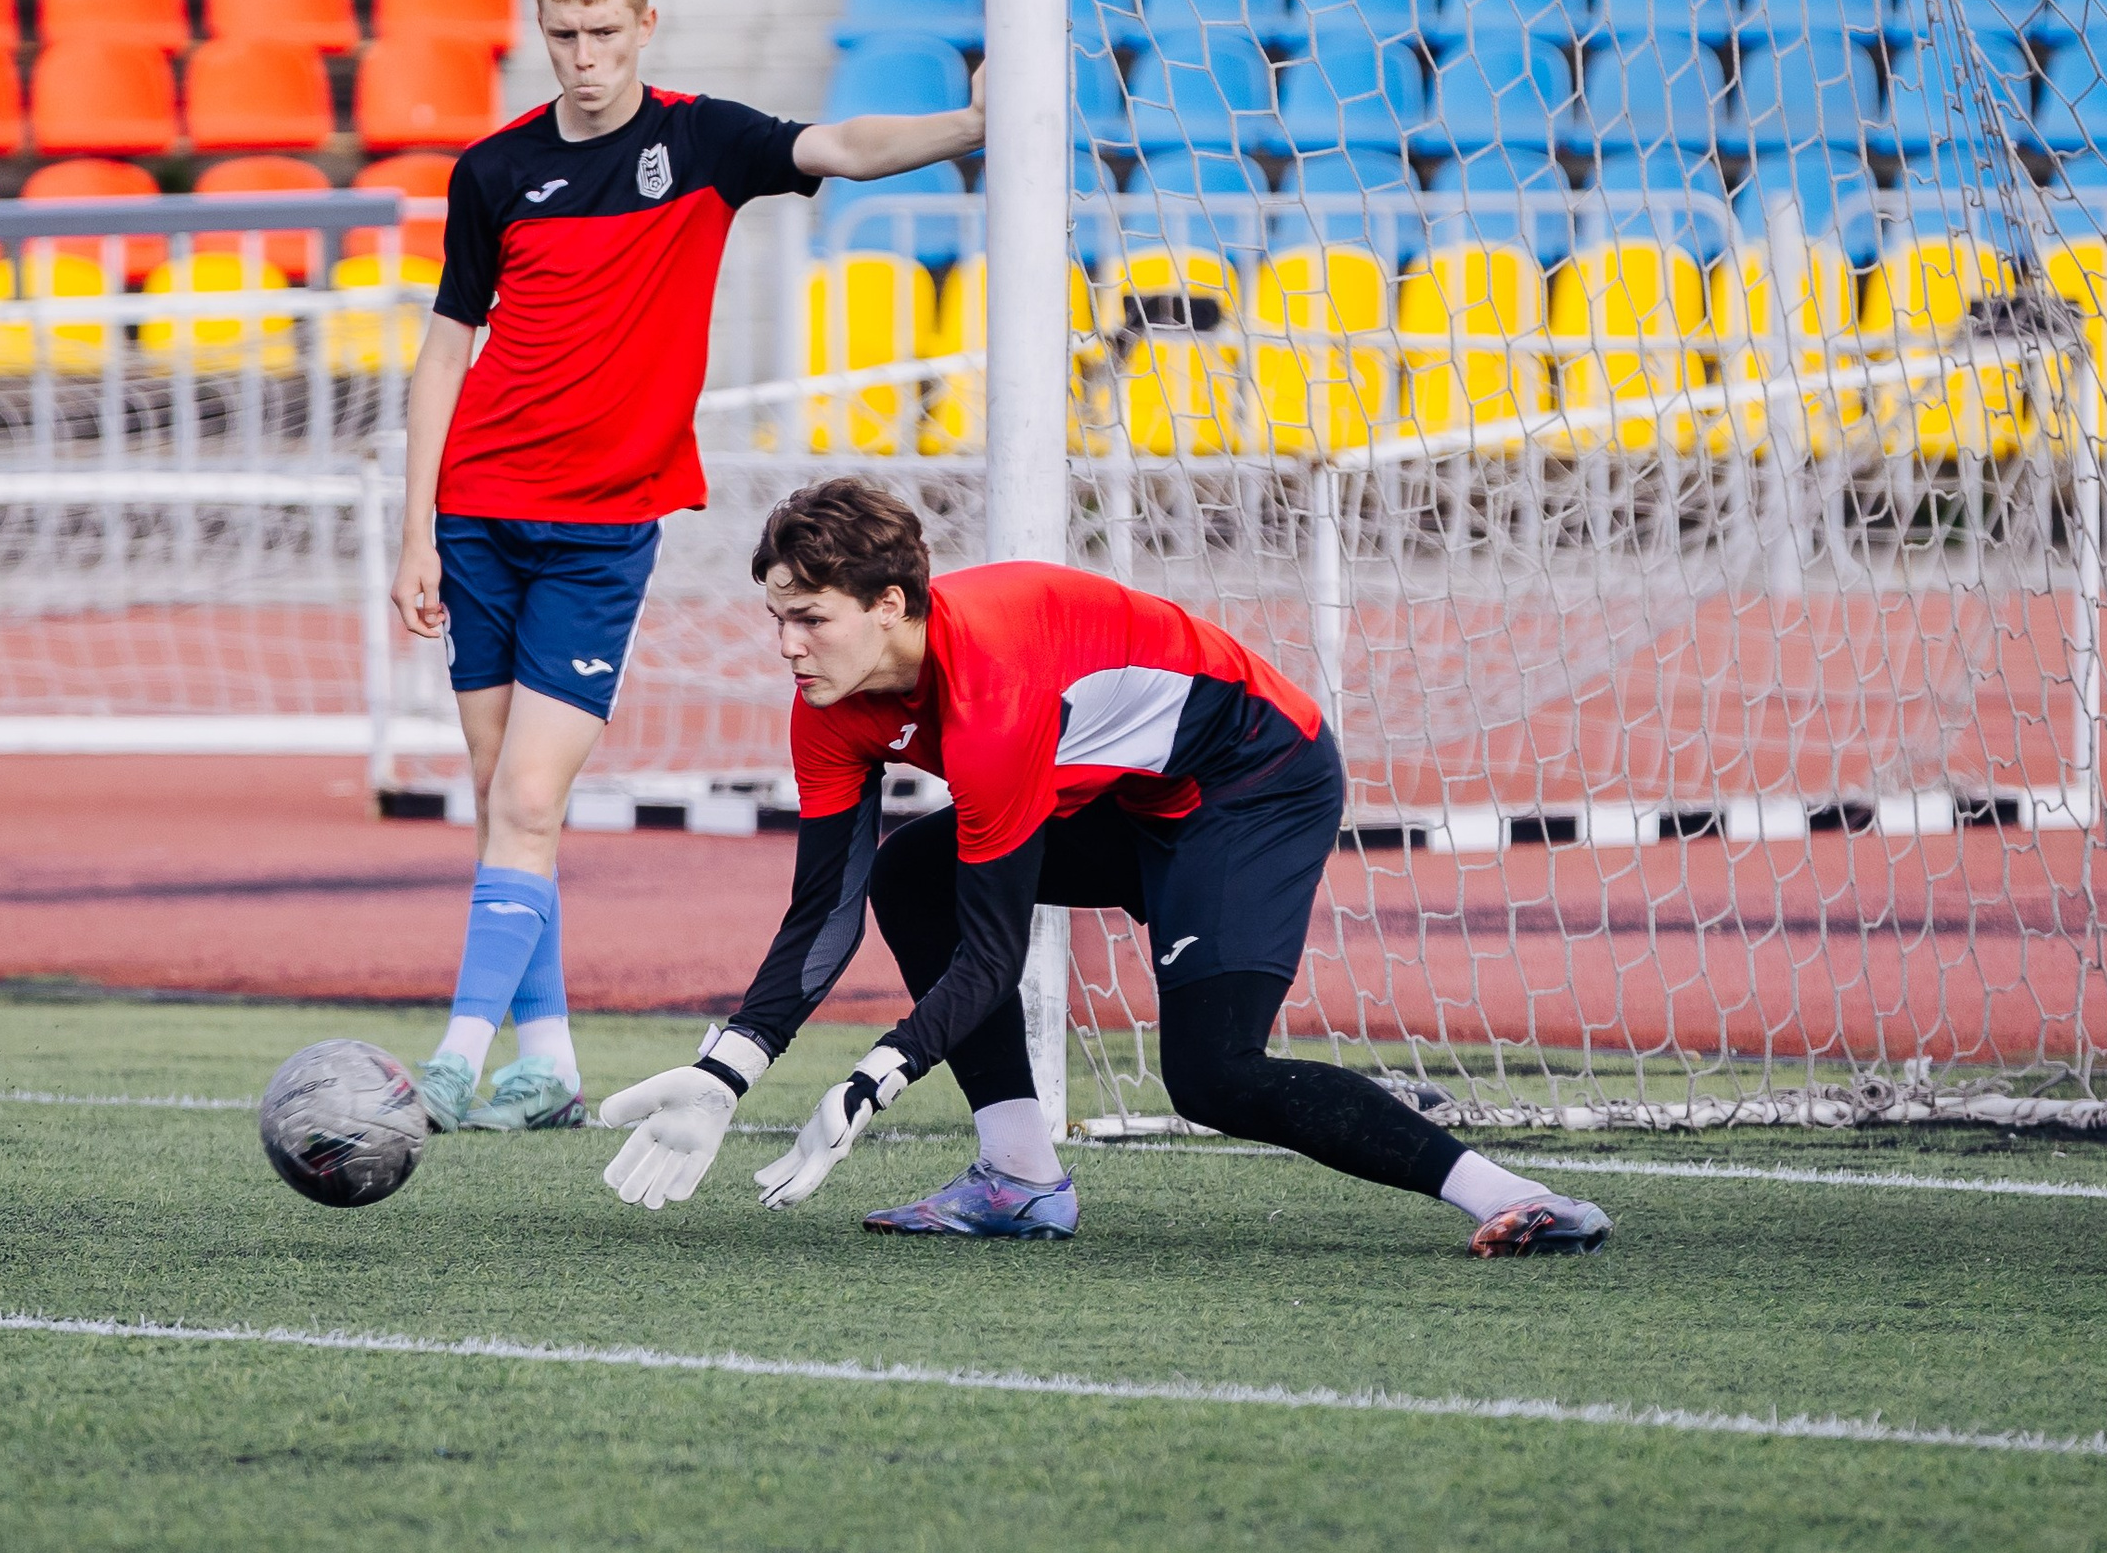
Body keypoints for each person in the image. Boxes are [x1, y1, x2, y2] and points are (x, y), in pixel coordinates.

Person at [597, 479, 1615, 1256]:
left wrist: (871, 1078)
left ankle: (1508, 1196)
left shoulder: (991, 690)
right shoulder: (829, 701)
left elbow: (992, 958)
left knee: (1213, 1073)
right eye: (776, 616)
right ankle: (1019, 1177)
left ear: (892, 604)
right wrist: (729, 1067)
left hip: (1248, 783)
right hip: (1124, 794)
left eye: (809, 617)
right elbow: (825, 906)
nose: (785, 645)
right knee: (911, 874)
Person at [391, 0, 986, 1133]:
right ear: (542, 34)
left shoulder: (699, 141)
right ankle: (547, 1056)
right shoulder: (494, 170)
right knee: (506, 795)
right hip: (475, 511)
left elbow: (843, 145)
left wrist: (967, 131)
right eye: (563, 37)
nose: (585, 59)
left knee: (527, 797)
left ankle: (455, 1056)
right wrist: (415, 529)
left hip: (601, 529)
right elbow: (445, 346)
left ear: (645, 26)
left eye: (605, 34)